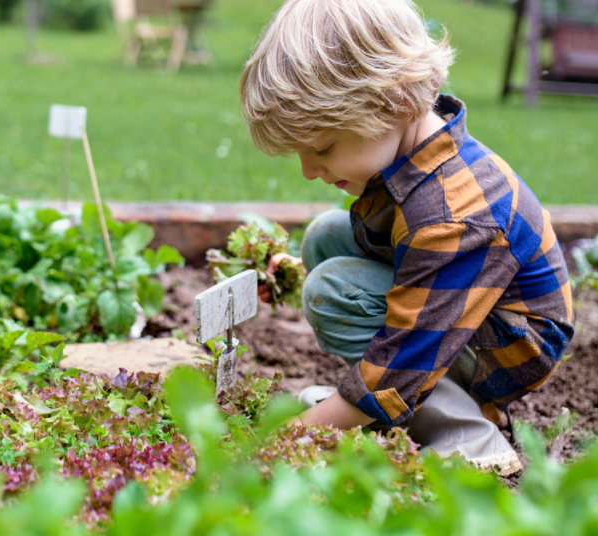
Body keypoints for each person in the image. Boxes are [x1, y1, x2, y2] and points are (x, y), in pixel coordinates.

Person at [239, 0, 574, 476]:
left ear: (393, 102)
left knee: (333, 291)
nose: (310, 171)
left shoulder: (452, 217)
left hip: (501, 352)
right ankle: (398, 405)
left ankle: (469, 430)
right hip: (469, 319)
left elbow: (407, 351)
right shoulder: (414, 148)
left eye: (323, 149)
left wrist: (292, 439)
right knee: (327, 238)